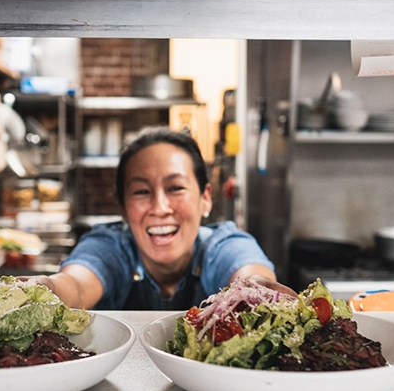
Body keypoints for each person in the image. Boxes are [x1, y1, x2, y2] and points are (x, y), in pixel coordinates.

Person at [31, 127, 295, 310]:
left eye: (175, 188)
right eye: (142, 192)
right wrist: (43, 289)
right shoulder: (108, 246)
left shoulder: (224, 244)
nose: (160, 207)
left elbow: (250, 276)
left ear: (205, 198)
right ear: (122, 207)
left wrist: (259, 291)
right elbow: (75, 285)